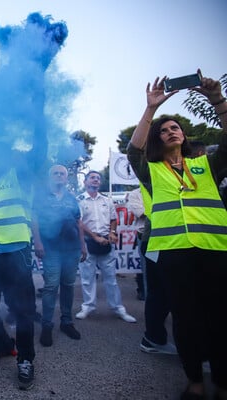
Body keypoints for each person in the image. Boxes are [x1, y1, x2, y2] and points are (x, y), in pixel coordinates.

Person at [127, 73, 227, 400]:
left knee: (220, 316)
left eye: (175, 128)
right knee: (185, 318)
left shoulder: (207, 165)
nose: (170, 131)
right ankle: (195, 380)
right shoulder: (152, 169)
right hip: (174, 252)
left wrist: (218, 100)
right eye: (164, 129)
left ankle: (222, 380)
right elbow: (133, 150)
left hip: (215, 250)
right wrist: (150, 110)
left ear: (184, 135)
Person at [0, 140, 47, 390]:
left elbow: (39, 150)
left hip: (16, 251)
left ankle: (25, 359)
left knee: (23, 310)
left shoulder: (20, 175)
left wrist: (37, 109)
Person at [31, 165, 87, 347]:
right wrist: (37, 242)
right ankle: (47, 325)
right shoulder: (40, 197)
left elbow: (79, 223)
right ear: (50, 177)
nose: (59, 176)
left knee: (69, 285)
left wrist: (83, 245)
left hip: (71, 249)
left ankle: (66, 322)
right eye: (55, 173)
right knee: (51, 286)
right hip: (50, 249)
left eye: (62, 173)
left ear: (66, 178)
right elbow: (34, 220)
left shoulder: (71, 198)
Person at [76, 171, 136, 323]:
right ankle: (88, 306)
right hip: (89, 242)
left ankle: (118, 308)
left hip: (106, 243)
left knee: (111, 278)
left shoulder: (107, 200)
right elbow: (79, 223)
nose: (96, 180)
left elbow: (113, 219)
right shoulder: (80, 200)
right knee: (87, 278)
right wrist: (94, 236)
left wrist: (113, 232)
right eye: (92, 177)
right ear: (85, 182)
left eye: (98, 178)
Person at [126, 187, 177, 356]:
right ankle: (154, 333)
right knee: (154, 288)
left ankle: (157, 330)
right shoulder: (136, 194)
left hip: (173, 240)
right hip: (151, 241)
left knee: (165, 288)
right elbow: (143, 213)